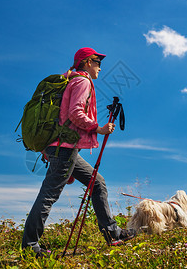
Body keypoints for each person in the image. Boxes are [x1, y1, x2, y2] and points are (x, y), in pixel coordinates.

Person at [21, 47, 136, 257]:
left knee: (97, 182)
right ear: (87, 62)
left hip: (63, 146)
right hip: (65, 148)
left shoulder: (71, 81)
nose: (100, 66)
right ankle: (30, 247)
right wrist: (98, 128)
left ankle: (113, 233)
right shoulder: (82, 81)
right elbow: (75, 113)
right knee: (49, 194)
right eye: (97, 62)